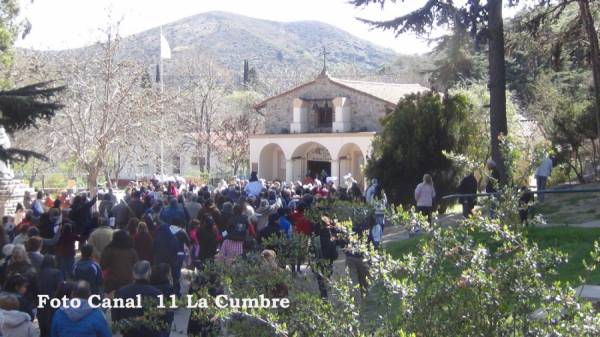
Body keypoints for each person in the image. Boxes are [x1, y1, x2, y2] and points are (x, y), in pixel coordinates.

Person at [112, 261, 165, 337]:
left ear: (133, 273)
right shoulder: (156, 293)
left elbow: (115, 317)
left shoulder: (121, 292)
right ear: (149, 273)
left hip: (129, 333)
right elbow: (162, 319)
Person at [37, 255, 63, 337]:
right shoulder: (57, 272)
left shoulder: (38, 273)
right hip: (53, 300)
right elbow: (61, 287)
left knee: (43, 323)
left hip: (41, 301)